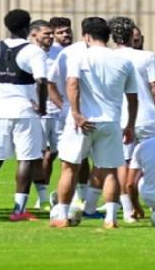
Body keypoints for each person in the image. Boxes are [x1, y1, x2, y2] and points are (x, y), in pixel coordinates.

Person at [50, 17, 138, 229]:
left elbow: (72, 84)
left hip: (84, 121)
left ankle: (62, 216)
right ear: (108, 36)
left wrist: (77, 113)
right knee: (109, 170)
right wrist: (130, 125)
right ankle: (111, 219)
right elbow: (133, 97)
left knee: (69, 168)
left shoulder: (80, 56)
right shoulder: (123, 61)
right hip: (111, 121)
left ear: (86, 36)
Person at [0, 9, 48, 221]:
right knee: (25, 158)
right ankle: (18, 210)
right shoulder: (34, 52)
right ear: (28, 28)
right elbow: (41, 81)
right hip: (24, 111)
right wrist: (42, 106)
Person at [109, 16, 155, 222]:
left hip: (120, 118)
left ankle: (128, 211)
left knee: (123, 163)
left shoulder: (109, 57)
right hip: (148, 117)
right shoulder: (147, 57)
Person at [47, 22, 99, 216]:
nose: (65, 34)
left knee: (97, 161)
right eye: (60, 32)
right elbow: (53, 82)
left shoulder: (101, 53)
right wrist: (66, 108)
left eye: (67, 31)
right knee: (71, 159)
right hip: (73, 115)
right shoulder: (69, 53)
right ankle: (65, 204)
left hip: (96, 114)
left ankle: (86, 200)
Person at [29, 20, 59, 211]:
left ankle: (76, 196)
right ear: (34, 35)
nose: (50, 37)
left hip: (57, 112)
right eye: (46, 34)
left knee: (60, 153)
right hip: (37, 113)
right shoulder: (28, 54)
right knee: (37, 156)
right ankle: (42, 197)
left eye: (51, 34)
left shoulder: (59, 54)